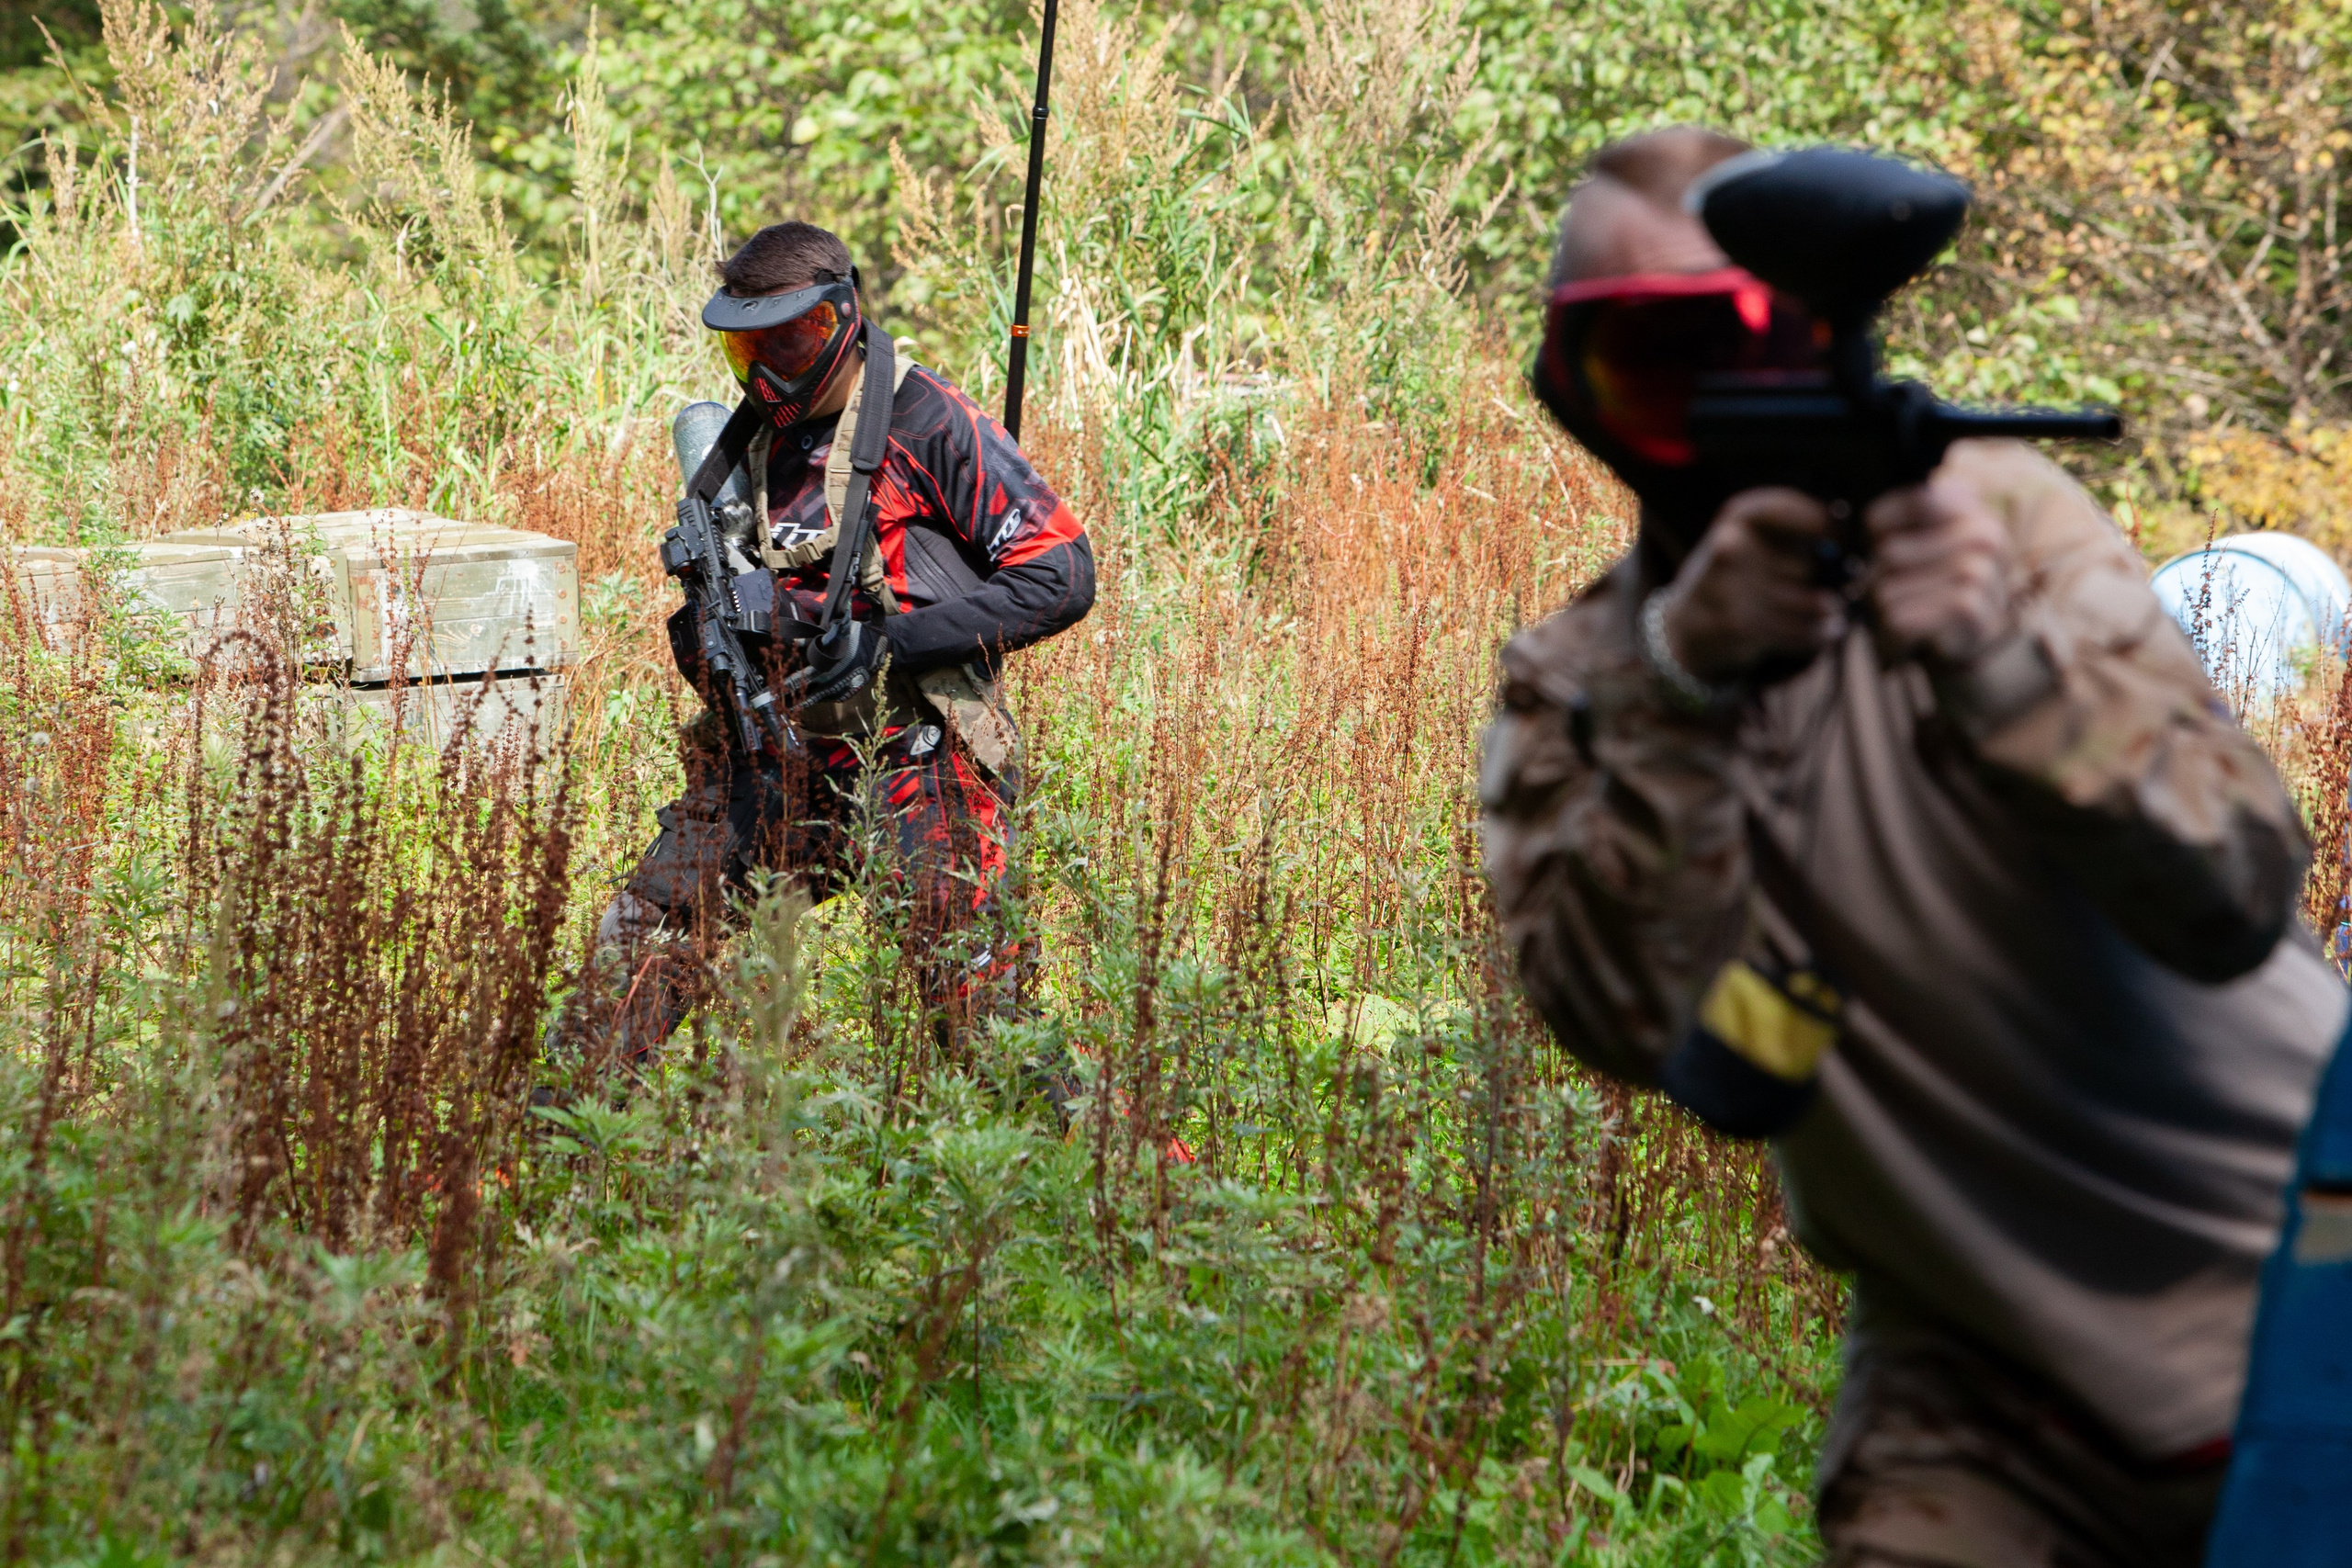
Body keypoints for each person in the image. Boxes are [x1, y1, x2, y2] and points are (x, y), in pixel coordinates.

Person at [1479, 127, 2346, 1567]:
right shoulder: (1589, 677)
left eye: (1729, 348)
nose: (1695, 410)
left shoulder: (1995, 521)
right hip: (1973, 1352)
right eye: (1633, 367)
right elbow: (1637, 1023)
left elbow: (2236, 886)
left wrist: (1999, 664)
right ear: (1574, 397)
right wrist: (1684, 681)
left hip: (2290, 1255)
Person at [552, 220, 1094, 1069]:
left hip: (920, 760)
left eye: (788, 345)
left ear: (840, 320)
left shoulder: (927, 419)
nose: (766, 376)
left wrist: (888, 643)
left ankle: (1134, 1186)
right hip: (775, 757)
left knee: (980, 1008)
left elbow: (1061, 574)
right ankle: (542, 1162)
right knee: (640, 945)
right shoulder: (744, 445)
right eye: (746, 353)